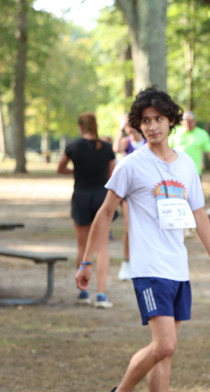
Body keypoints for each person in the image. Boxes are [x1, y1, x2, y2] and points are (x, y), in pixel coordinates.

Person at [76, 86, 210, 392]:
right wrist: (86, 261)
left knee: (166, 349)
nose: (152, 126)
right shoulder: (132, 165)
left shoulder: (186, 164)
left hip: (177, 266)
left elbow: (198, 213)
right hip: (148, 268)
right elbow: (105, 213)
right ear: (138, 125)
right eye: (145, 121)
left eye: (158, 119)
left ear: (171, 121)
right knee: (165, 344)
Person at [57, 112, 117, 307]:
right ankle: (101, 294)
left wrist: (76, 171)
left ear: (80, 127)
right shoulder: (106, 148)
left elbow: (60, 168)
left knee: (82, 246)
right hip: (101, 198)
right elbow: (112, 174)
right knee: (102, 248)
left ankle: (83, 292)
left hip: (81, 196)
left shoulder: (73, 147)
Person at [116, 116, 145, 281]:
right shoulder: (126, 142)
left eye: (130, 124)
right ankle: (126, 262)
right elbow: (116, 148)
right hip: (129, 191)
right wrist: (120, 129)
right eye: (127, 126)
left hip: (146, 190)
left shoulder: (147, 142)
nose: (129, 128)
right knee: (129, 227)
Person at [171, 110, 210, 177]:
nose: (188, 123)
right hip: (177, 171)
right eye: (186, 121)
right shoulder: (175, 132)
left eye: (191, 121)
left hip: (195, 172)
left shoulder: (202, 134)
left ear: (195, 121)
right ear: (182, 121)